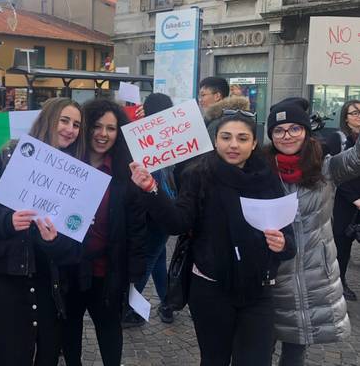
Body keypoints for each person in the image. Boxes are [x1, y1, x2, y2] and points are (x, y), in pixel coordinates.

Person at [131, 111, 295, 366]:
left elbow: (287, 238)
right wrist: (151, 189)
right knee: (214, 359)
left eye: (242, 138)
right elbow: (178, 223)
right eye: (226, 137)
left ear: (253, 143)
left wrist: (282, 243)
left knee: (256, 360)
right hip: (211, 288)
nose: (233, 145)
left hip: (258, 288)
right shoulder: (198, 174)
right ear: (215, 140)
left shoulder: (266, 178)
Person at [0, 97, 85, 366]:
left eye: (76, 124)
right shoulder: (8, 158)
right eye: (64, 120)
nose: (70, 129)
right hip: (6, 277)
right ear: (48, 120)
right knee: (9, 355)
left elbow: (74, 247)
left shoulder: (77, 175)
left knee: (48, 354)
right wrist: (7, 220)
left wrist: (53, 242)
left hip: (49, 280)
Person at [266, 98, 356, 365]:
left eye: (295, 129)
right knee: (260, 347)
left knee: (295, 351)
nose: (287, 136)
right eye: (279, 130)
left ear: (306, 131)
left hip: (312, 276)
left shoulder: (326, 167)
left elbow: (357, 159)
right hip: (271, 276)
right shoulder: (260, 170)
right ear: (271, 135)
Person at [61, 99, 146, 366]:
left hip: (107, 271)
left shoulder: (125, 173)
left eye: (111, 128)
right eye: (97, 126)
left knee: (109, 329)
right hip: (68, 267)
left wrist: (134, 272)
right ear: (86, 128)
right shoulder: (64, 164)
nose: (103, 134)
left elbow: (136, 227)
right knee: (69, 328)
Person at [122, 93, 177, 328]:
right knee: (156, 259)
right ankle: (168, 300)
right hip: (163, 209)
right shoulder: (173, 135)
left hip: (156, 211)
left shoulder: (143, 138)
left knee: (147, 260)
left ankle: (131, 309)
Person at [325, 99, 360, 301]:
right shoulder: (337, 139)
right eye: (354, 113)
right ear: (345, 118)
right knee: (342, 245)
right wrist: (355, 198)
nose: (358, 116)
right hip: (344, 202)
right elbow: (334, 173)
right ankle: (340, 282)